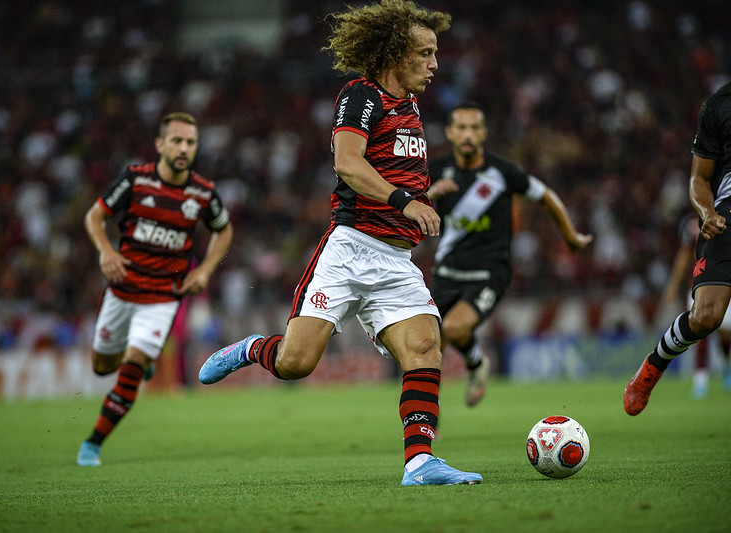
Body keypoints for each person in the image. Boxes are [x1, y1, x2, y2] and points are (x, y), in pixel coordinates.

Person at [199, 0, 481, 486]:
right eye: (426, 53)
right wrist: (406, 202)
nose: (436, 64)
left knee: (425, 346)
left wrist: (426, 197)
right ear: (396, 52)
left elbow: (393, 176)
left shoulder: (411, 107)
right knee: (296, 363)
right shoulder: (360, 95)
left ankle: (419, 462)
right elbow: (348, 165)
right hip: (350, 250)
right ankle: (251, 349)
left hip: (396, 258)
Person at [76, 112, 233, 465]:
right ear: (161, 145)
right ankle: (139, 361)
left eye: (190, 142)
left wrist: (206, 270)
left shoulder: (203, 193)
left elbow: (224, 230)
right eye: (177, 141)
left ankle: (93, 444)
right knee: (103, 366)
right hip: (122, 290)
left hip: (163, 297)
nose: (184, 148)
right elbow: (94, 217)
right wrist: (106, 252)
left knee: (130, 370)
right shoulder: (136, 180)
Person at [427, 102, 592, 407]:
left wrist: (570, 237)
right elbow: (405, 206)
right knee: (429, 343)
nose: (468, 134)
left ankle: (474, 365)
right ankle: (437, 404)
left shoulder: (502, 172)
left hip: (490, 271)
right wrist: (429, 195)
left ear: (484, 133)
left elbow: (546, 197)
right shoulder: (436, 172)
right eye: (461, 128)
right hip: (447, 270)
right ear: (450, 133)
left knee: (453, 328)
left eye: (474, 128)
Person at [624, 82, 731, 416]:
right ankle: (652, 367)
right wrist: (708, 213)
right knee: (707, 317)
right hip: (727, 220)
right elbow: (699, 178)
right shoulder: (718, 106)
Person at [660, 213, 731, 399]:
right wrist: (673, 286)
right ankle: (700, 381)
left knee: (725, 333)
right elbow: (684, 256)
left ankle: (726, 365)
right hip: (697, 286)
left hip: (723, 286)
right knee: (699, 334)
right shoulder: (691, 224)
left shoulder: (725, 217)